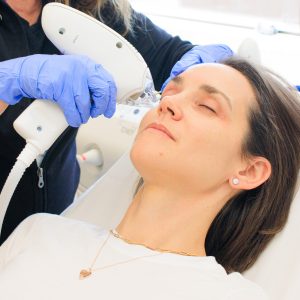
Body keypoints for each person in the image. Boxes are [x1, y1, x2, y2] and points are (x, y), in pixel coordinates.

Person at [0, 57, 300, 299]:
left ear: (249, 171)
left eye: (207, 106)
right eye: (170, 92)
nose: (167, 104)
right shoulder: (40, 232)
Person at [0, 0, 233, 244]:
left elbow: (174, 57)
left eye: (207, 108)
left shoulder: (93, 9)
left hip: (51, 225)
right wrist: (9, 79)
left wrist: (210, 67)